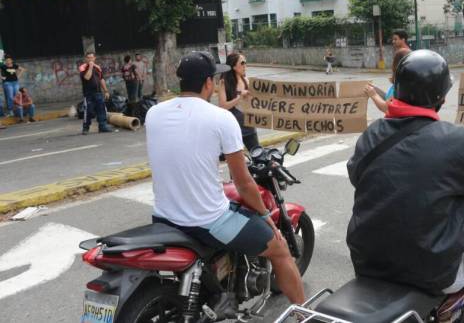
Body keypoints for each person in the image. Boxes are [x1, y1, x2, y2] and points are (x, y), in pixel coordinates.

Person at [347, 50, 464, 323]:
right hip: (431, 271)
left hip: (368, 262)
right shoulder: (458, 142)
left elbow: (356, 175)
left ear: (397, 89)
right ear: (441, 97)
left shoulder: (372, 135)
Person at [145, 51, 304, 305]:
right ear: (209, 83)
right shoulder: (221, 118)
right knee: (280, 248)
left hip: (163, 216)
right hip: (206, 221)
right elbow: (243, 183)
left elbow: (180, 147)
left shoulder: (154, 113)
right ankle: (303, 313)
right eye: (216, 79)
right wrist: (267, 218)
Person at [217, 53, 259, 151]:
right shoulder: (224, 82)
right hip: (233, 129)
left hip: (249, 127)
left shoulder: (246, 80)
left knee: (258, 156)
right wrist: (239, 97)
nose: (245, 66)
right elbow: (223, 106)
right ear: (234, 66)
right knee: (238, 161)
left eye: (246, 63)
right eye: (242, 63)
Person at [364, 48, 411, 114]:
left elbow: (386, 108)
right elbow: (388, 98)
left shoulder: (401, 87)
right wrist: (375, 89)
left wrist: (373, 95)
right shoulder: (404, 83)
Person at [79, 52, 113, 135]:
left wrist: (106, 91)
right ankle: (86, 128)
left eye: (92, 57)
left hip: (98, 93)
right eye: (88, 58)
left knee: (101, 110)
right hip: (88, 94)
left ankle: (103, 126)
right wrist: (90, 67)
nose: (90, 59)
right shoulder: (83, 68)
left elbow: (101, 79)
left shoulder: (98, 68)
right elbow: (87, 77)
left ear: (94, 58)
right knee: (88, 111)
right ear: (86, 59)